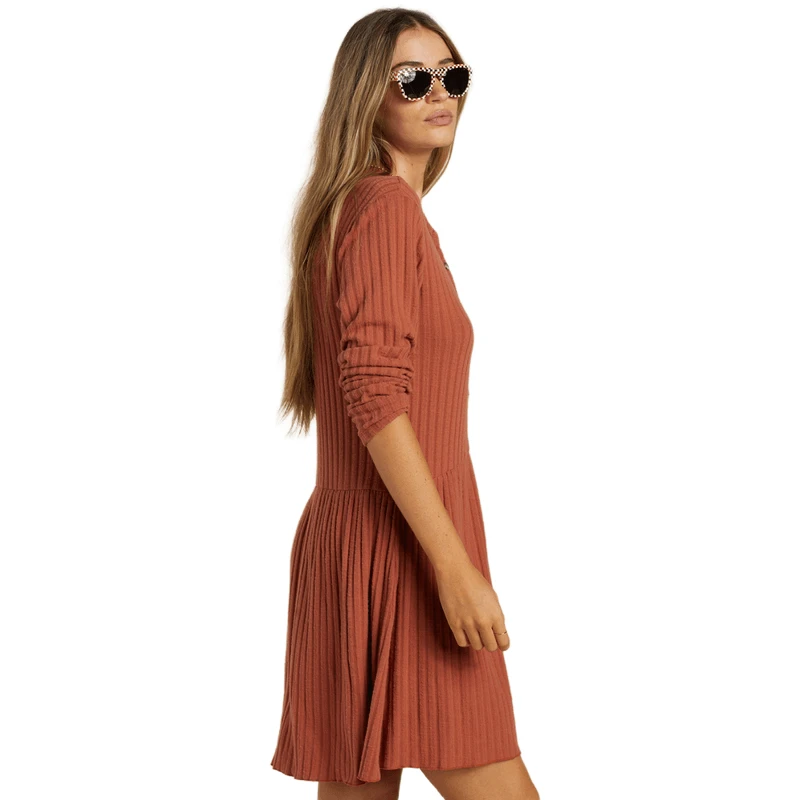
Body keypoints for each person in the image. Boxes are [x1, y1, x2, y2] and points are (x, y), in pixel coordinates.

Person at [272, 9, 540, 800]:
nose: (440, 93)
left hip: (359, 541)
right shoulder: (384, 208)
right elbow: (374, 392)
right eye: (413, 79)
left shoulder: (362, 211)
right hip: (407, 552)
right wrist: (454, 569)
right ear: (366, 95)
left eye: (452, 76)